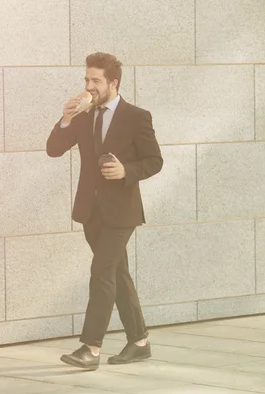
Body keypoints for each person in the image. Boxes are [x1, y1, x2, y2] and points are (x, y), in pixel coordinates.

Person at [46, 52, 163, 370]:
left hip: (122, 211)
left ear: (113, 82)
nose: (89, 85)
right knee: (116, 273)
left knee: (101, 272)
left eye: (95, 80)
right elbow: (54, 149)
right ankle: (139, 343)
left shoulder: (137, 116)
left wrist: (127, 171)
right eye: (86, 79)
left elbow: (154, 161)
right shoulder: (83, 115)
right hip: (90, 210)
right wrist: (66, 118)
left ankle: (90, 347)